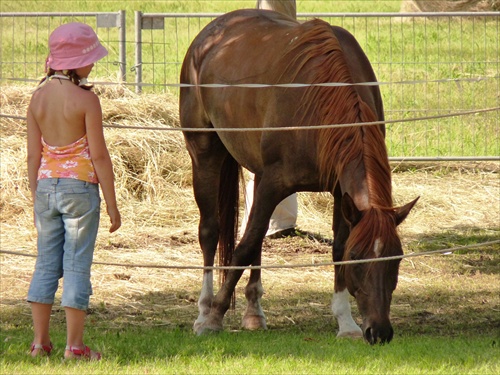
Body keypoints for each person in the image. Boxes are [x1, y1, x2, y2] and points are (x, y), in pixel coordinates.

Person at [26, 22, 121, 361]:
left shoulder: (37, 98)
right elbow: (99, 156)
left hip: (46, 189)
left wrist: (35, 194)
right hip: (80, 190)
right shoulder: (86, 100)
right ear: (74, 61)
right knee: (77, 266)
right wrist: (112, 205)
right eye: (89, 57)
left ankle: (39, 344)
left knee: (45, 265)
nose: (93, 64)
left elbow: (34, 156)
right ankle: (75, 347)